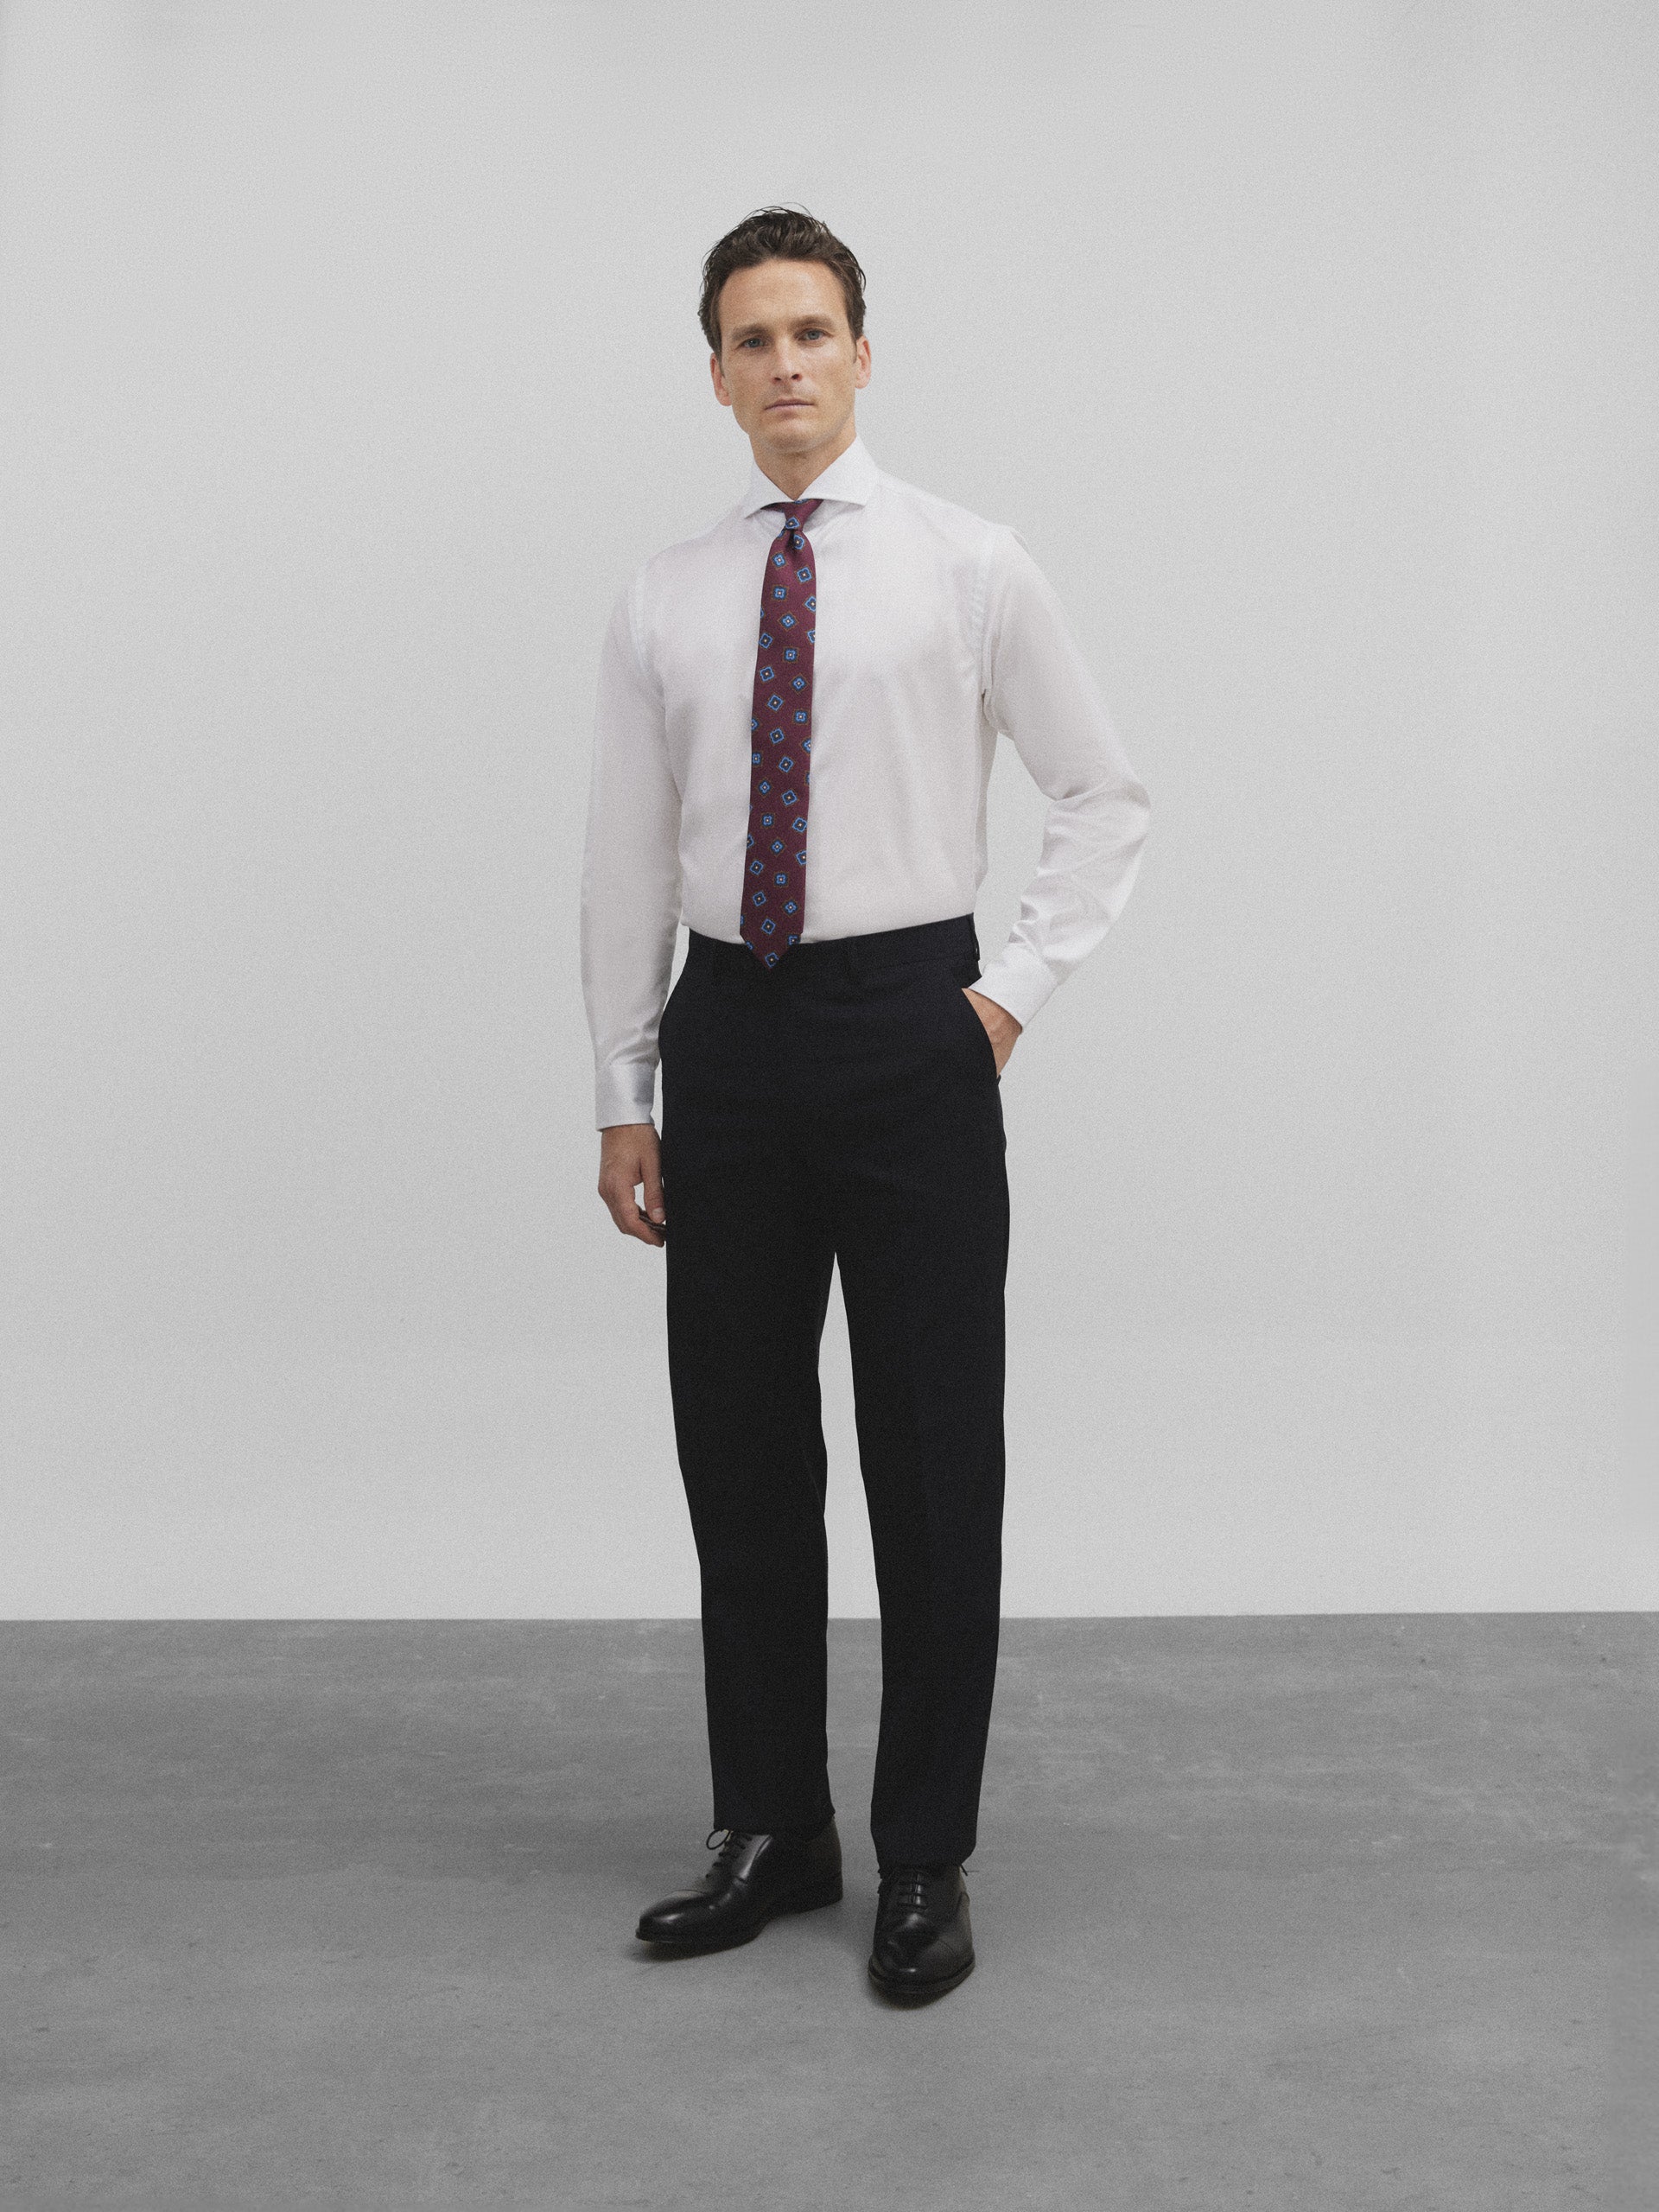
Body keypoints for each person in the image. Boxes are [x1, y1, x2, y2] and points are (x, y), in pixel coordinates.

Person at [579, 206, 1151, 2004]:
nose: (786, 365)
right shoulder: (665, 595)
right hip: (729, 1035)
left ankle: (922, 1857)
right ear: (717, 374)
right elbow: (623, 856)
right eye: (752, 339)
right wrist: (624, 1086)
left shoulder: (971, 566)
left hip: (910, 1024)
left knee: (930, 1448)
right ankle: (772, 1826)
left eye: (812, 331)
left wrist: (1004, 997)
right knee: (741, 1447)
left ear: (864, 353)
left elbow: (1103, 792)